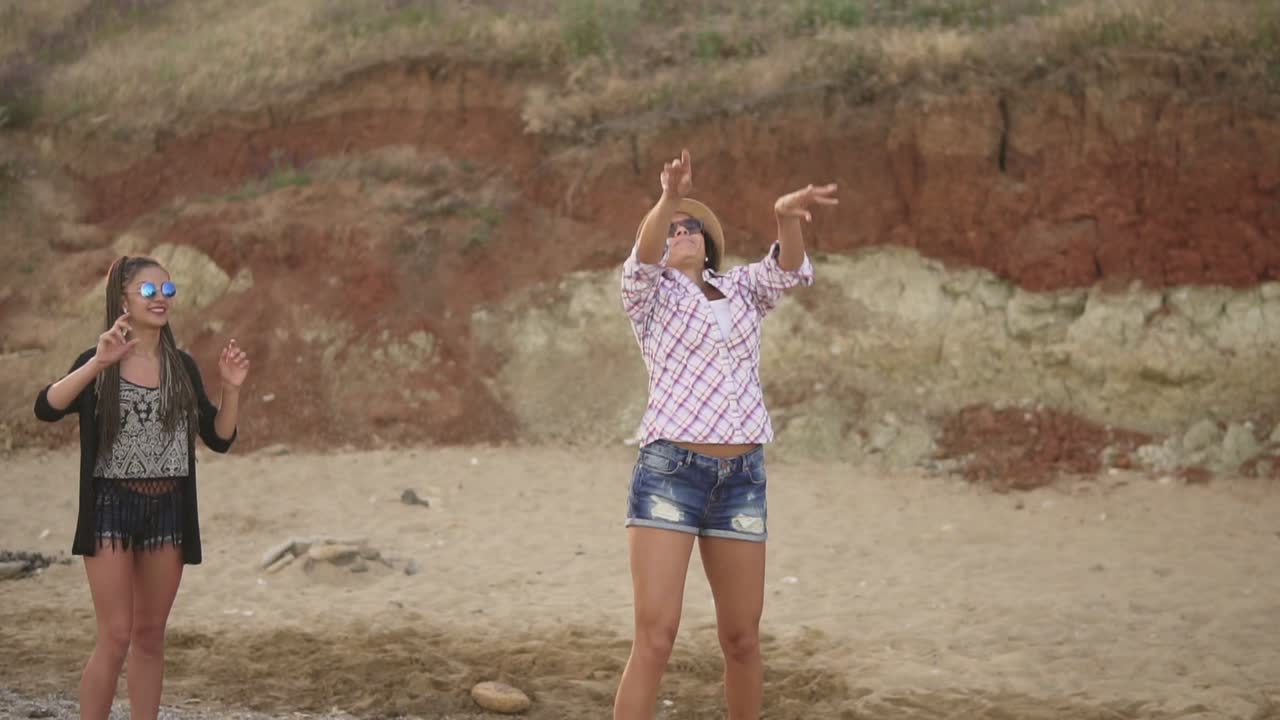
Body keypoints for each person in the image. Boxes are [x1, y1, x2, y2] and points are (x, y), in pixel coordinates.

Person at [615, 148, 837, 719]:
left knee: (742, 639)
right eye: (672, 229)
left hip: (742, 478)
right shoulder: (647, 296)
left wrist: (785, 218)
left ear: (708, 243)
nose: (681, 233)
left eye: (690, 227)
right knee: (656, 637)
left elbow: (785, 268)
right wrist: (669, 197)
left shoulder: (740, 290)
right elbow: (642, 256)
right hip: (671, 472)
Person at [33, 255, 249, 720]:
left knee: (149, 636)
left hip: (168, 510)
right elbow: (46, 408)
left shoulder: (182, 366)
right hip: (110, 508)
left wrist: (231, 389)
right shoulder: (99, 361)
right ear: (123, 300)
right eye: (149, 291)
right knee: (115, 636)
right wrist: (98, 363)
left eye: (168, 291)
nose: (161, 299)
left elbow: (219, 438)